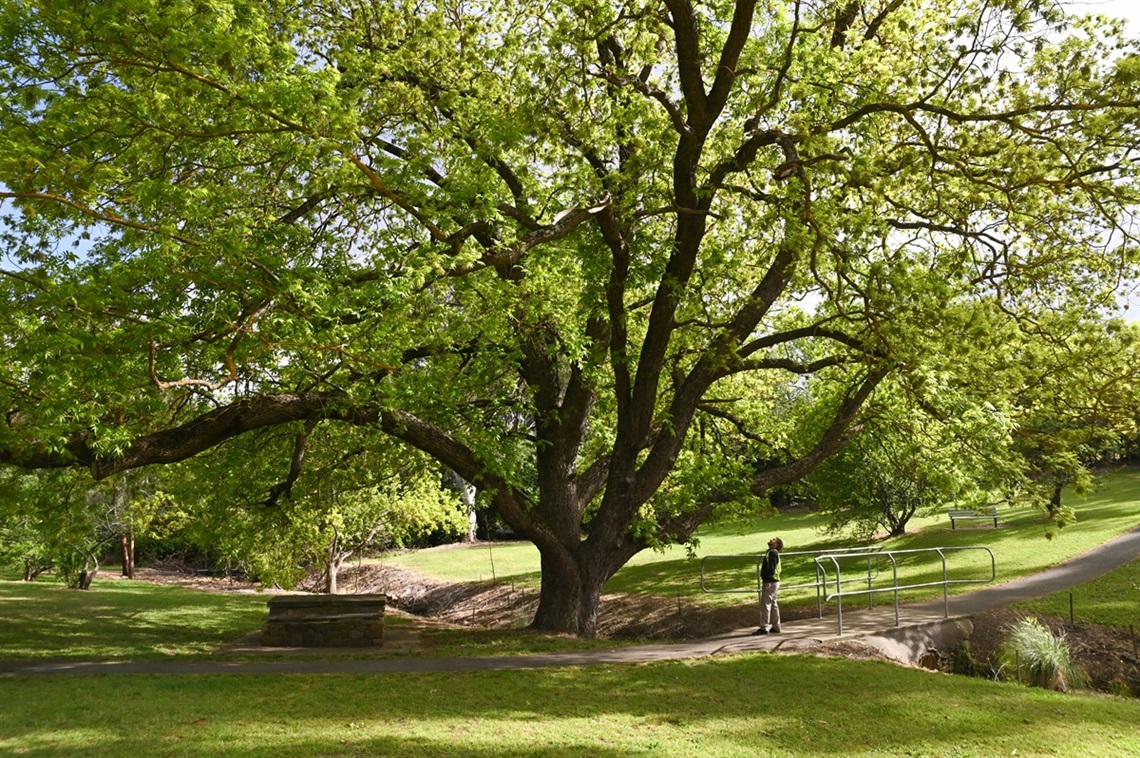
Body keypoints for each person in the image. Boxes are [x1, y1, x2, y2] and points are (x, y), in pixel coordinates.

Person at [753, 537, 783, 635]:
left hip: (771, 582)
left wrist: (767, 580)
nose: (771, 540)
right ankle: (776, 626)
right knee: (773, 604)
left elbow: (771, 568)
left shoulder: (772, 553)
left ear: (776, 544)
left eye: (773, 539)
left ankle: (764, 627)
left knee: (765, 604)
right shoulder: (772, 553)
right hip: (774, 581)